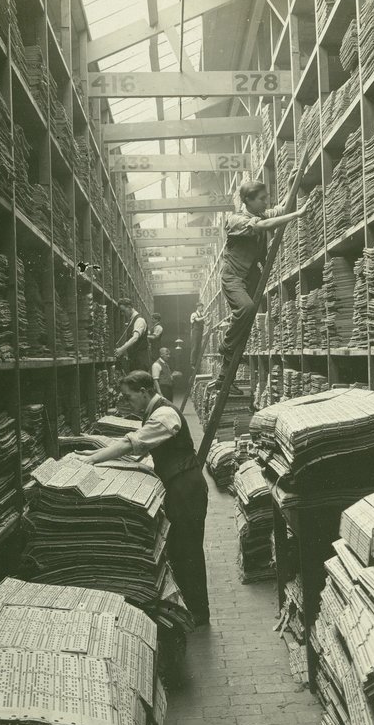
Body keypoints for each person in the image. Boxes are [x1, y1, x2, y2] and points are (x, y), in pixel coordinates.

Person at [79, 371, 210, 626]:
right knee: (181, 550)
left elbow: (133, 442)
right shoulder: (155, 412)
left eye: (129, 398)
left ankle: (199, 614)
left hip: (186, 488)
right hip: (179, 485)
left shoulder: (164, 414)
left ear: (144, 392)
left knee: (188, 551)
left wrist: (93, 458)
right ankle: (191, 610)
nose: (128, 403)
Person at [219, 172, 306, 377]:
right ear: (248, 200)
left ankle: (226, 373)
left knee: (247, 318)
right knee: (247, 309)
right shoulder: (236, 220)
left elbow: (281, 209)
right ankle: (226, 347)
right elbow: (261, 226)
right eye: (262, 199)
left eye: (266, 197)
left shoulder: (258, 213)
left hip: (250, 276)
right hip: (233, 277)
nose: (266, 202)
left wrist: (290, 183)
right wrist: (296, 215)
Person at [114, 297, 151, 372]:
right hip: (135, 360)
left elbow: (135, 338)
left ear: (129, 307)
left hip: (140, 361)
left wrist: (121, 349)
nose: (122, 314)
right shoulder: (132, 320)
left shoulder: (139, 320)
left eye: (123, 311)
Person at [189, 301, 206, 375]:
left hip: (200, 333)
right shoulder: (194, 314)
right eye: (201, 307)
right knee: (195, 347)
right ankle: (192, 363)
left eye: (202, 307)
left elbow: (206, 323)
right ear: (198, 307)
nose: (202, 308)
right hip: (195, 332)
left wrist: (209, 319)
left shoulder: (201, 315)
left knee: (198, 347)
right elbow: (198, 320)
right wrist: (206, 316)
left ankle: (197, 363)